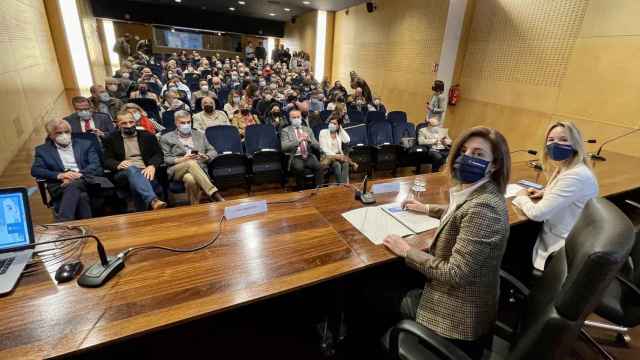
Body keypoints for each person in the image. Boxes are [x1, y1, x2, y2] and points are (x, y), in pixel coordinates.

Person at [383, 126, 511, 360]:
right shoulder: (483, 192)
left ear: (495, 164)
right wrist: (427, 209)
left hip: (455, 316)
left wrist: (407, 250)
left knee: (374, 290)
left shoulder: (485, 209)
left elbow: (455, 273)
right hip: (462, 296)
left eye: (478, 154)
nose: (467, 158)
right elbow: (460, 212)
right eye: (464, 151)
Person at [512, 121, 598, 273]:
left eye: (564, 140)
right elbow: (569, 192)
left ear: (575, 144)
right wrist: (547, 192)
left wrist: (521, 196)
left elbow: (538, 214)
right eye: (551, 140)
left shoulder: (575, 176)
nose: (555, 144)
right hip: (563, 236)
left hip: (559, 250)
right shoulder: (570, 168)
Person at [31, 119, 105, 221]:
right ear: (51, 135)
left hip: (86, 180)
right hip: (60, 185)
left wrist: (78, 175)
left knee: (73, 184)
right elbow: (35, 170)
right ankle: (86, 228)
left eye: (66, 132)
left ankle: (63, 222)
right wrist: (60, 175)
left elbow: (95, 165)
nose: (64, 135)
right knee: (81, 196)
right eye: (59, 133)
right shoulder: (43, 150)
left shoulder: (85, 144)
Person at [103, 111, 167, 211]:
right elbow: (107, 159)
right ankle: (153, 200)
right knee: (132, 169)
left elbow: (158, 154)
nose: (128, 125)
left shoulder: (148, 136)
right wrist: (117, 164)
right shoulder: (111, 139)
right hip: (123, 172)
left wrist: (152, 166)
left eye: (131, 122)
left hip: (145, 170)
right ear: (117, 124)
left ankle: (141, 214)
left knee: (135, 183)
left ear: (135, 122)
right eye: (124, 123)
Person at [160, 111, 224, 204]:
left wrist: (206, 156)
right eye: (182, 123)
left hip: (199, 168)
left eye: (188, 122)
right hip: (177, 169)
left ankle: (194, 206)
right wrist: (183, 159)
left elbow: (213, 151)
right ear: (176, 123)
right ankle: (213, 193)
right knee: (190, 162)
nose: (186, 125)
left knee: (190, 179)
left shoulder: (199, 135)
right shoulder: (166, 138)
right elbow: (166, 159)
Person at [281, 109, 323, 189]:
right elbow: (284, 147)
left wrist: (309, 140)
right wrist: (298, 141)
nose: (296, 119)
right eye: (294, 117)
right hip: (295, 156)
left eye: (298, 117)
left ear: (301, 118)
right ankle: (302, 189)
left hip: (308, 155)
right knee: (299, 168)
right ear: (290, 119)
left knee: (319, 167)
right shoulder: (285, 131)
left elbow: (317, 146)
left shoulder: (308, 129)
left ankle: (319, 188)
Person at [318, 115, 356, 184]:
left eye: (334, 124)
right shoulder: (323, 132)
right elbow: (324, 148)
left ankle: (344, 184)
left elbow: (347, 140)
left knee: (345, 164)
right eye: (330, 123)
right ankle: (341, 184)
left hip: (339, 155)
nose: (331, 125)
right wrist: (336, 156)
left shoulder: (339, 133)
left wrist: (340, 129)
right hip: (328, 156)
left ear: (338, 126)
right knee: (337, 165)